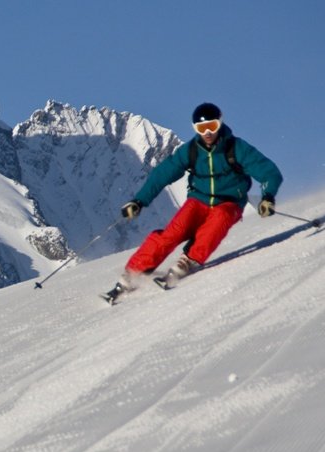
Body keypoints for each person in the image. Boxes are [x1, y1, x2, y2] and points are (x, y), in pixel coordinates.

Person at [103, 102, 283, 302]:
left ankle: (187, 261)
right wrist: (139, 201)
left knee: (218, 222)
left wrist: (268, 196)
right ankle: (133, 273)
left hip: (229, 202)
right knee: (174, 232)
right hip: (198, 200)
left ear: (220, 124)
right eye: (201, 128)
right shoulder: (191, 151)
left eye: (212, 126)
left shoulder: (236, 148)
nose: (207, 133)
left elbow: (269, 172)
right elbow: (162, 174)